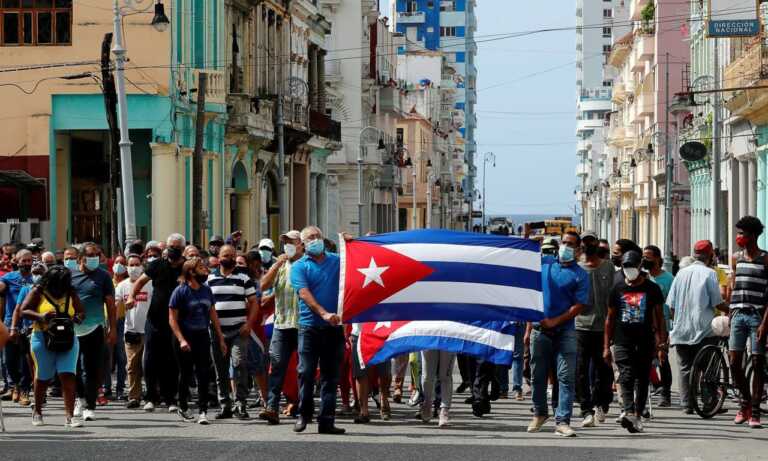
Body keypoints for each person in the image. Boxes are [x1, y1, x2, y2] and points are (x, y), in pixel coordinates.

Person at [527, 231, 588, 437]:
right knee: (538, 376)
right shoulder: (545, 263)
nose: (565, 246)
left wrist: (555, 321)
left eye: (570, 244)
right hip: (539, 330)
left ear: (578, 249)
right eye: (563, 242)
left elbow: (579, 305)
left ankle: (562, 421)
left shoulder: (580, 275)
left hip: (565, 332)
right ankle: (539, 413)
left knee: (565, 377)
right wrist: (528, 242)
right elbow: (522, 259)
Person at [290, 226, 346, 435]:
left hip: (334, 328)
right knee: (305, 372)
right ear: (303, 244)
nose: (315, 240)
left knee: (331, 375)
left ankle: (327, 420)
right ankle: (304, 414)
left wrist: (351, 244)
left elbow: (356, 268)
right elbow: (304, 293)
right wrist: (323, 313)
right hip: (309, 327)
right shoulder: (299, 266)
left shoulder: (337, 261)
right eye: (310, 238)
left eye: (318, 236)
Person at [604, 251, 666, 434]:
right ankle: (629, 411)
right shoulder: (617, 289)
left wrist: (662, 343)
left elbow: (660, 317)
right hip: (622, 341)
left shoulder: (652, 289)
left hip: (645, 341)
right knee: (626, 375)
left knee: (642, 378)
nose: (629, 270)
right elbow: (609, 319)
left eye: (632, 266)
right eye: (625, 267)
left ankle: (637, 415)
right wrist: (605, 346)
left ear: (640, 266)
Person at [667, 240, 726, 415]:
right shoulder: (710, 274)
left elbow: (671, 305)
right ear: (711, 256)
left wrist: (678, 321)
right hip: (705, 329)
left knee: (685, 367)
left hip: (682, 330)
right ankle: (709, 402)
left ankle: (687, 404)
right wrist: (732, 309)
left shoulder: (680, 274)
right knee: (708, 368)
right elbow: (717, 302)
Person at [21, 266, 85, 427]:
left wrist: (76, 318)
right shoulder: (38, 291)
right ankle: (37, 411)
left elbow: (81, 312)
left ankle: (70, 416)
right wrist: (40, 316)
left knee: (68, 374)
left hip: (68, 338)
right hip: (42, 338)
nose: (61, 288)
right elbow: (24, 310)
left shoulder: (70, 291)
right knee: (43, 376)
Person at [130, 233, 185, 412]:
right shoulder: (157, 265)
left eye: (176, 247)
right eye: (170, 246)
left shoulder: (187, 267)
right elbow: (140, 281)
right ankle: (151, 397)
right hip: (155, 319)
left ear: (182, 249)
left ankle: (171, 399)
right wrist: (132, 296)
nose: (172, 250)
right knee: (150, 359)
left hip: (178, 321)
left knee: (172, 360)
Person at [169, 257, 228, 425]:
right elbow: (172, 319)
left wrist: (220, 337)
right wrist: (181, 340)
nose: (206, 270)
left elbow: (213, 314)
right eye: (202, 268)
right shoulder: (180, 291)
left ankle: (203, 411)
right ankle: (183, 406)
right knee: (186, 373)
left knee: (203, 373)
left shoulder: (206, 290)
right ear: (191, 272)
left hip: (202, 335)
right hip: (184, 336)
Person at [206, 244, 259, 420]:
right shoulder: (209, 279)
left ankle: (241, 405)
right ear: (219, 257)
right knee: (220, 370)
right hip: (216, 332)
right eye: (224, 254)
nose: (227, 257)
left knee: (239, 365)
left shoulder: (244, 278)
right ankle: (225, 405)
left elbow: (253, 303)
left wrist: (248, 324)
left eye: (231, 255)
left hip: (238, 330)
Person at [728, 216, 768, 428]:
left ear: (753, 236)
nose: (739, 237)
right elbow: (733, 285)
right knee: (734, 362)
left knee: (757, 362)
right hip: (737, 315)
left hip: (757, 316)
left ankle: (755, 410)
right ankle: (745, 402)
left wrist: (764, 324)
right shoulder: (736, 258)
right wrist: (729, 311)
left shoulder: (765, 259)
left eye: (743, 233)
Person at [260, 231, 303, 424]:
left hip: (304, 325)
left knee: (305, 369)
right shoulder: (281, 266)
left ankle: (302, 404)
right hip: (282, 324)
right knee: (276, 366)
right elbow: (263, 285)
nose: (287, 245)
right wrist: (276, 265)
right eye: (284, 242)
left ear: (301, 244)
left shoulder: (307, 264)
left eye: (291, 242)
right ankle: (272, 407)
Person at [70, 242, 116, 422]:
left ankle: (90, 405)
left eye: (97, 254)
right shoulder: (69, 276)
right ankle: (79, 399)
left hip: (95, 328)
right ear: (81, 258)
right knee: (73, 368)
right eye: (91, 255)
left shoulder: (103, 276)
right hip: (72, 331)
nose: (95, 258)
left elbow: (111, 304)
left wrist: (112, 329)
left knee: (91, 369)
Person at [576, 231, 614, 427]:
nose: (588, 244)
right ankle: (586, 409)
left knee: (604, 369)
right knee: (581, 370)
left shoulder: (608, 267)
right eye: (585, 241)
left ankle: (602, 403)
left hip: (604, 327)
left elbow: (614, 297)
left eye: (592, 241)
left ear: (597, 243)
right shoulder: (577, 268)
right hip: (581, 327)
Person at [115, 254, 152, 409]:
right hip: (131, 330)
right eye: (131, 265)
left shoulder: (150, 284)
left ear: (142, 266)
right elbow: (116, 305)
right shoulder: (122, 285)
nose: (134, 268)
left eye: (137, 264)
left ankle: (151, 395)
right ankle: (134, 396)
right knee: (132, 366)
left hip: (148, 330)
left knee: (148, 365)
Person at [0, 249, 35, 405]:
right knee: (10, 359)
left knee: (27, 359)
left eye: (29, 261)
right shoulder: (9, 277)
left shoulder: (37, 278)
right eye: (23, 261)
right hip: (10, 324)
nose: (27, 263)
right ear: (17, 262)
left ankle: (24, 390)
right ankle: (14, 386)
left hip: (31, 324)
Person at [643, 245, 674, 407]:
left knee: (663, 358)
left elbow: (674, 304)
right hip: (646, 323)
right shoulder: (644, 278)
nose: (644, 260)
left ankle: (665, 393)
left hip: (663, 324)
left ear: (657, 258)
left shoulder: (668, 279)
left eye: (648, 257)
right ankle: (653, 386)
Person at [104, 255, 129, 402]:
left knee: (121, 357)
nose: (119, 265)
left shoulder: (128, 283)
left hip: (123, 322)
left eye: (122, 263)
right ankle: (107, 388)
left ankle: (120, 388)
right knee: (107, 356)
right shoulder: (108, 282)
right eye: (117, 262)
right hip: (107, 321)